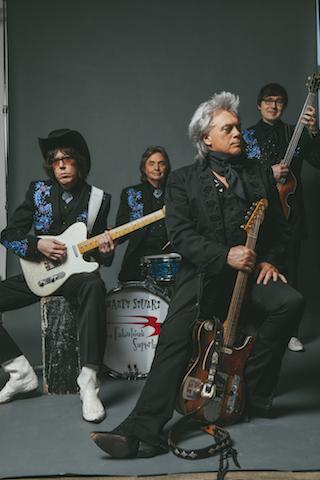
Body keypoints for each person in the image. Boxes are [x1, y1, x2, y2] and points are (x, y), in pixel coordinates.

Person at [90, 92, 305, 458]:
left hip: (251, 276)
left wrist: (270, 261)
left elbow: (280, 230)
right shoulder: (182, 180)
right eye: (228, 128)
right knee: (174, 335)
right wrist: (226, 255)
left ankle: (248, 393)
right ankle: (143, 429)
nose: (238, 133)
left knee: (291, 302)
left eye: (238, 127)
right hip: (204, 277)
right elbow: (184, 237)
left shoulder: (258, 173)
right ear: (206, 137)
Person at [0, 129, 116, 423]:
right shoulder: (37, 192)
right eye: (55, 161)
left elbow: (103, 257)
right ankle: (19, 372)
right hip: (38, 273)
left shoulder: (99, 199)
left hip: (77, 277)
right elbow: (8, 235)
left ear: (79, 163)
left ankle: (89, 381)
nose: (61, 165)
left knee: (94, 284)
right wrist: (36, 244)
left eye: (67, 159)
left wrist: (105, 250)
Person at [242, 83, 320, 352]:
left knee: (290, 273)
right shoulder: (246, 136)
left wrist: (314, 130)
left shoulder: (294, 133)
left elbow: (318, 160)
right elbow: (238, 173)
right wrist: (268, 174)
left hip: (290, 214)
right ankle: (256, 330)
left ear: (284, 106)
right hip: (257, 216)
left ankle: (291, 333)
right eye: (268, 100)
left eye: (278, 101)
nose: (273, 105)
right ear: (259, 104)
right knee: (255, 272)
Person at [115, 145, 172, 282]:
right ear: (144, 168)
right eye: (151, 164)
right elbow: (121, 232)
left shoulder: (177, 192)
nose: (156, 168)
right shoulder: (131, 194)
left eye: (161, 163)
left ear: (167, 167)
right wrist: (112, 235)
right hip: (139, 257)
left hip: (172, 255)